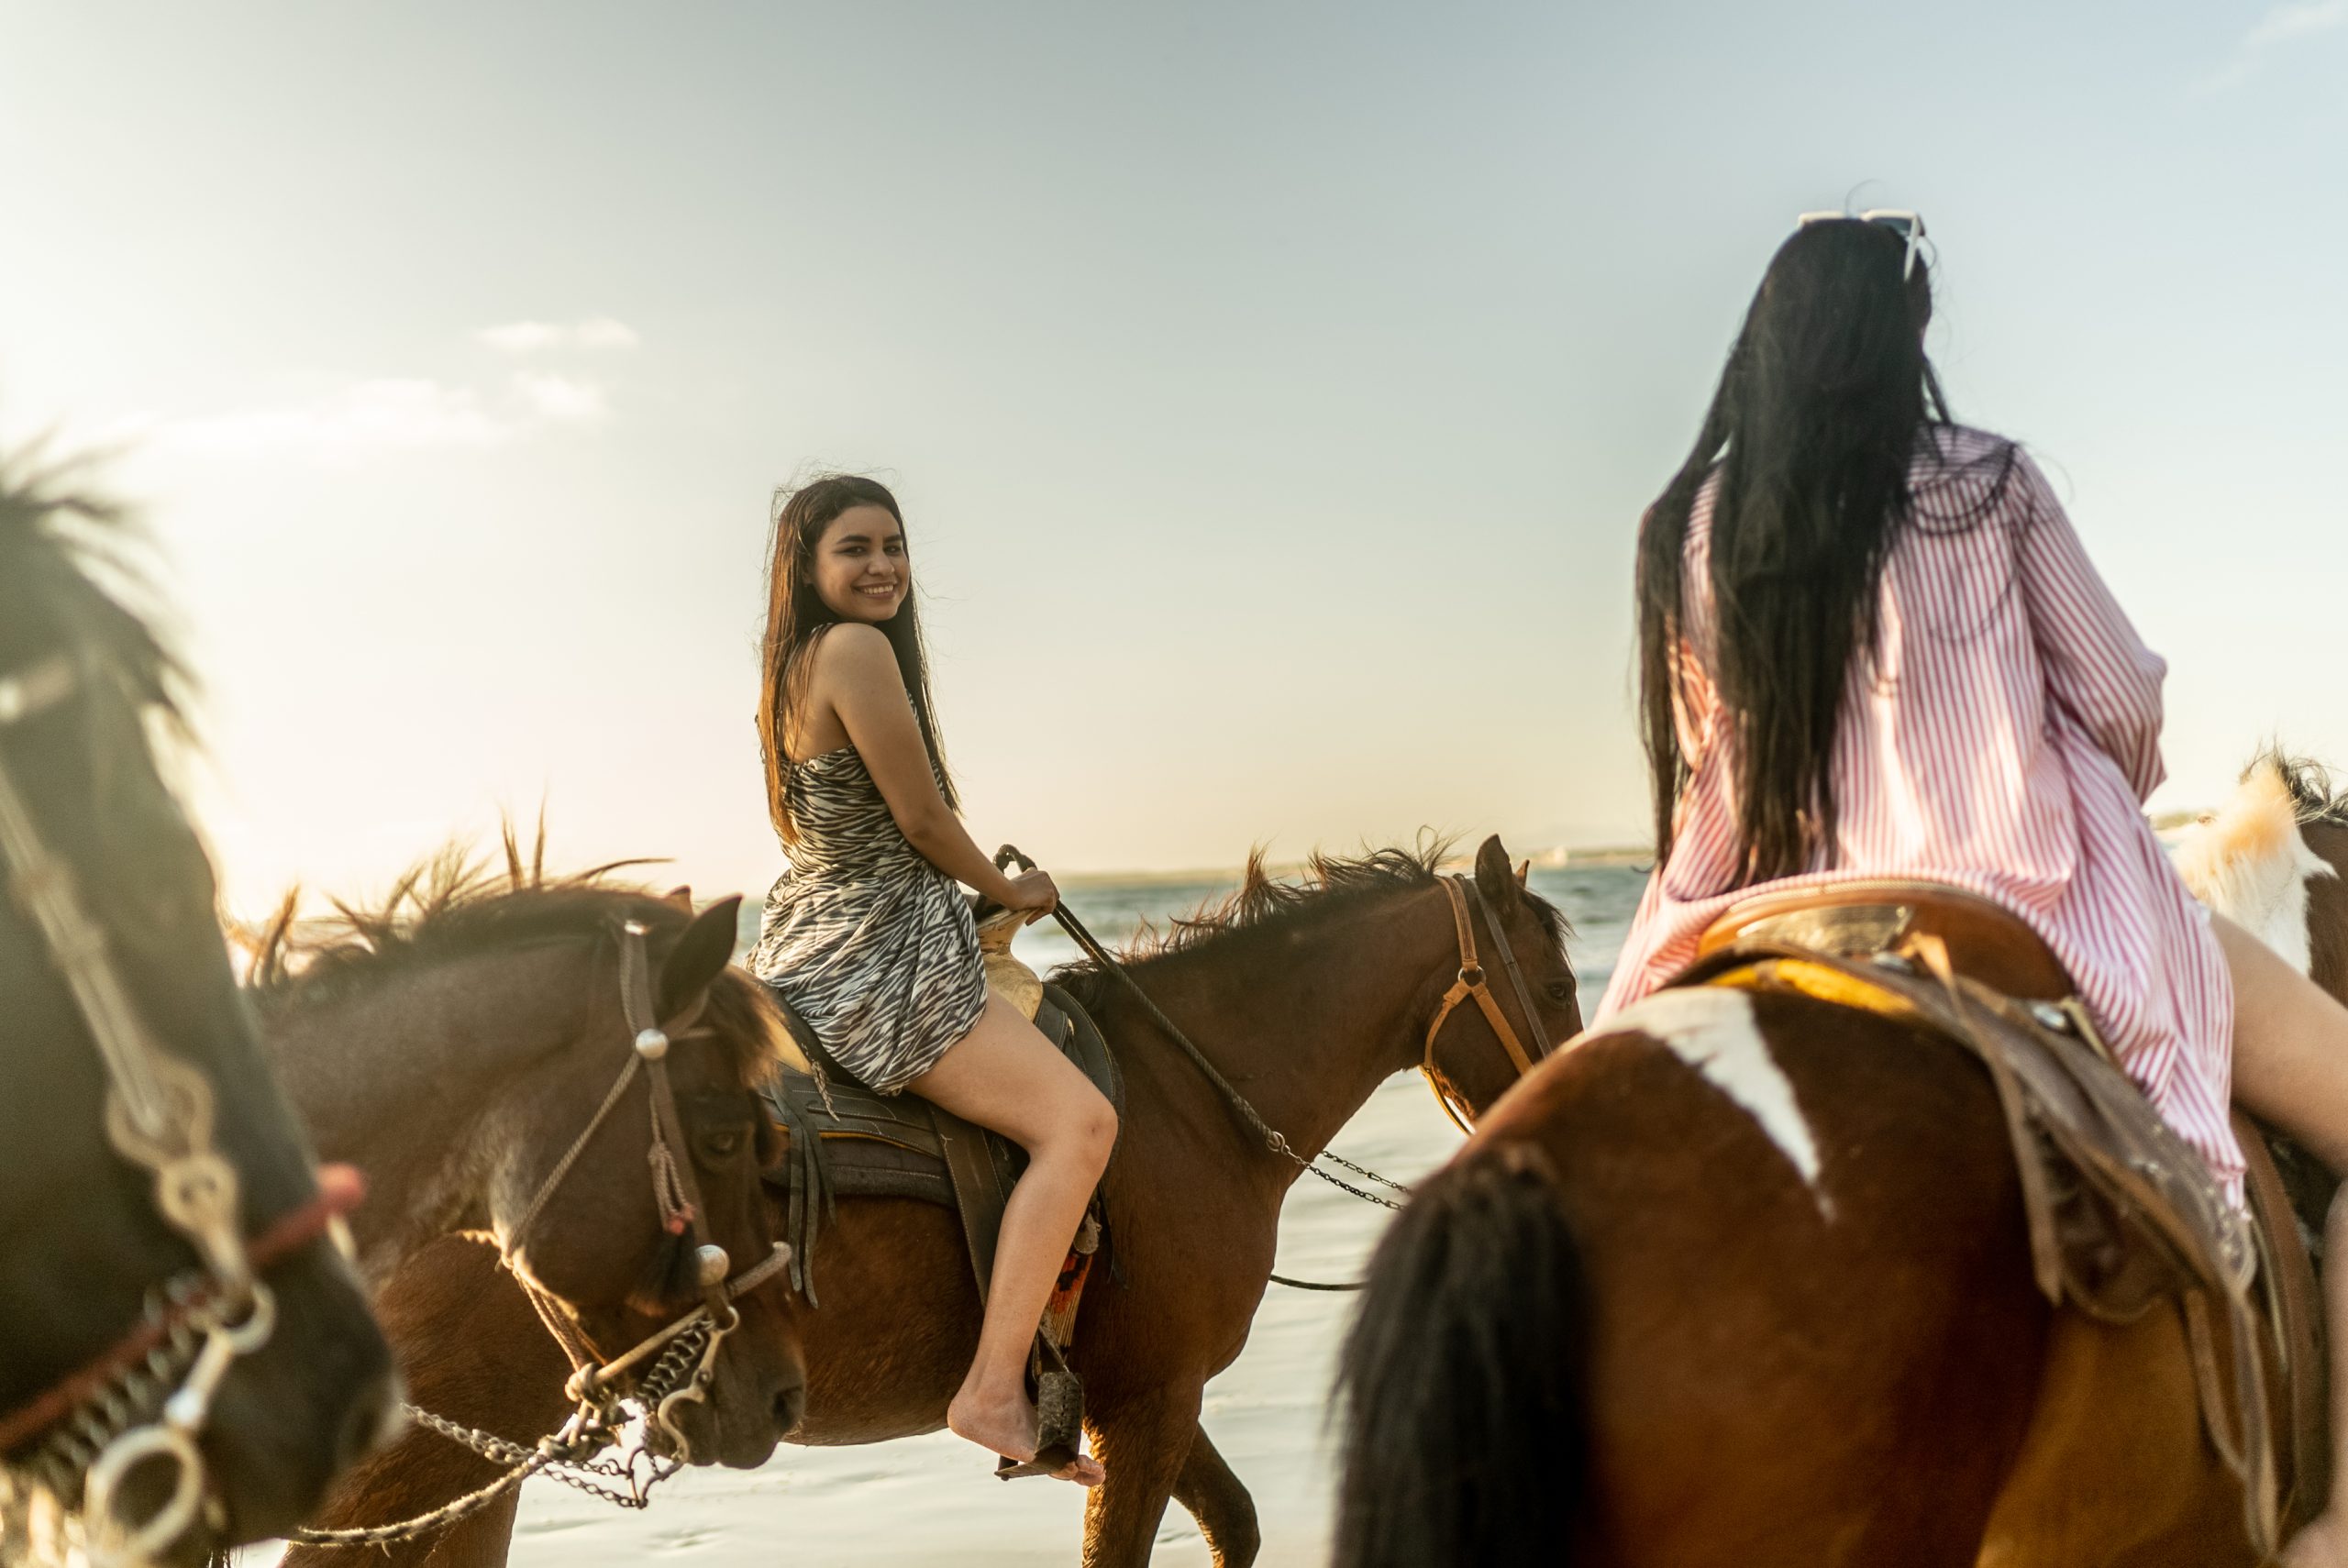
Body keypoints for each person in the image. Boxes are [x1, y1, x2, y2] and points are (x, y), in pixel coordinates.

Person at [1595, 211, 2348, 1566]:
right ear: (1906, 339)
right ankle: (2340, 1521)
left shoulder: (1683, 530)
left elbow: (1703, 759)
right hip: (2016, 909)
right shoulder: (1985, 484)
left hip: (1754, 918)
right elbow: (2123, 707)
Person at [747, 474, 1117, 1485]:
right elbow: (918, 822)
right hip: (877, 957)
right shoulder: (855, 651)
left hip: (820, 934)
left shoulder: (787, 670)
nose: (881, 567)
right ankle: (992, 1386)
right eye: (854, 549)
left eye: (893, 547)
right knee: (1079, 1126)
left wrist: (974, 906)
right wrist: (1007, 884)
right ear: (809, 568)